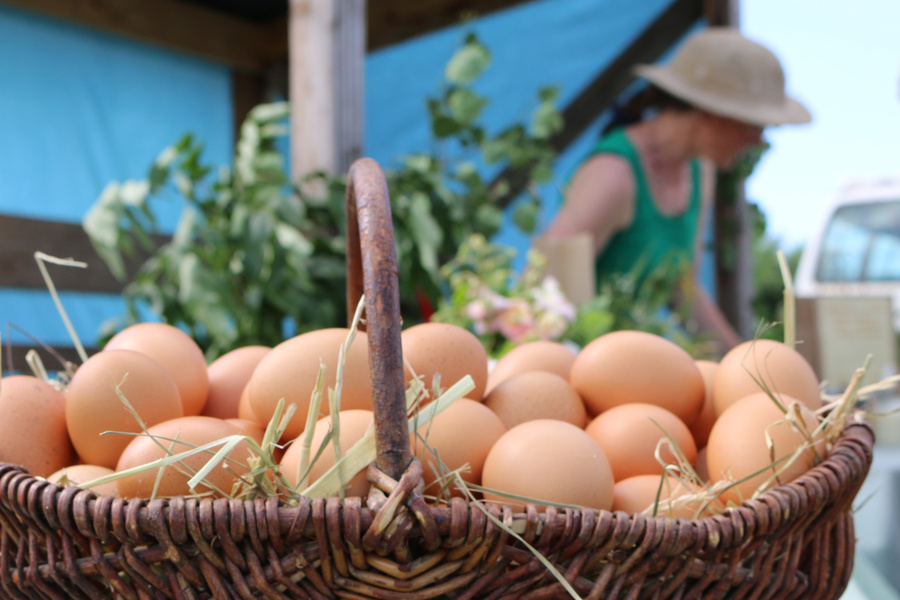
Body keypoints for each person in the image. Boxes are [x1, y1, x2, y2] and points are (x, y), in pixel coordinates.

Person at [541, 26, 811, 354]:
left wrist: (743, 358)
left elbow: (683, 289)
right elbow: (546, 286)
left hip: (626, 359)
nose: (758, 141)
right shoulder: (614, 174)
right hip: (583, 361)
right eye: (754, 125)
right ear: (712, 112)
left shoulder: (699, 172)